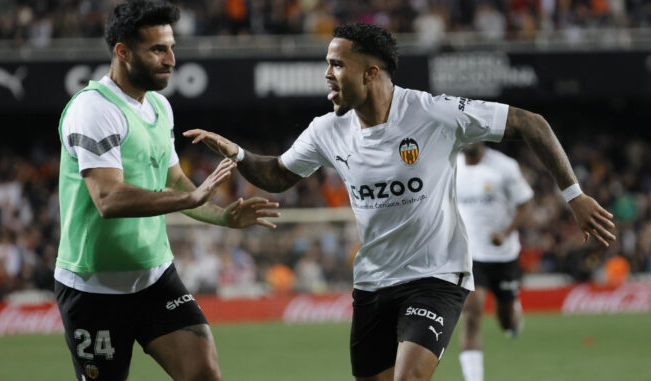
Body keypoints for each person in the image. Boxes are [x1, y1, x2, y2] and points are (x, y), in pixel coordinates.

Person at [184, 22, 616, 381]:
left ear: (371, 72)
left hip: (437, 274)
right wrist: (238, 155)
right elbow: (277, 175)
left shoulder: (434, 113)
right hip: (373, 282)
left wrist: (573, 195)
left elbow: (531, 124)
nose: (327, 75)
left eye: (337, 64)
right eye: (326, 64)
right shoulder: (326, 130)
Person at [54, 1, 279, 380]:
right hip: (94, 289)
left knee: (204, 373)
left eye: (172, 47)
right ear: (123, 52)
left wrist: (222, 216)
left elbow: (175, 181)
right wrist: (189, 199)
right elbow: (108, 199)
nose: (171, 59)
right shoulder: (93, 109)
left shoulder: (159, 106)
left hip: (155, 277)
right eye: (158, 49)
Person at [455, 142, 533, 381]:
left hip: (503, 255)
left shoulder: (504, 167)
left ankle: (513, 314)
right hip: (471, 255)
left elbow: (525, 206)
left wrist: (506, 233)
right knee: (471, 316)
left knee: (506, 322)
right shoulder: (449, 164)